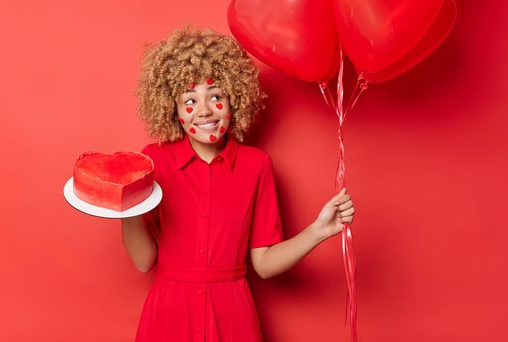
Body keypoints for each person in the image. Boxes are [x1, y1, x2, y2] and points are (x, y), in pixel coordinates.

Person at [122, 27, 355, 342]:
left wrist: (318, 231)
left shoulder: (256, 165)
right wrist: (124, 201)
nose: (204, 110)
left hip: (232, 317)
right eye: (190, 100)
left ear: (234, 99)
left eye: (215, 96)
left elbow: (264, 264)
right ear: (174, 111)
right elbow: (143, 260)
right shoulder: (153, 162)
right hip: (169, 315)